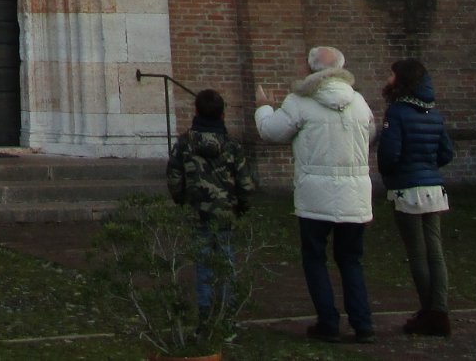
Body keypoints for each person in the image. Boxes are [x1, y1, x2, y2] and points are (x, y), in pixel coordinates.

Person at [255, 45, 376, 343]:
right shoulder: (359, 102)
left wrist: (263, 107)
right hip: (355, 194)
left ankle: (328, 322)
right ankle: (363, 324)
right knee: (351, 260)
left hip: (315, 196)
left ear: (311, 70)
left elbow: (271, 132)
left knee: (315, 258)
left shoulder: (300, 101)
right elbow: (370, 134)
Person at [379, 58, 455, 337]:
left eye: (391, 75)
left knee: (417, 252)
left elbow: (390, 153)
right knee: (435, 251)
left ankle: (429, 312)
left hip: (407, 188)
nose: (388, 80)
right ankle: (440, 308)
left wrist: (391, 172)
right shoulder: (432, 112)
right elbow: (445, 152)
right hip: (433, 186)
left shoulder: (397, 112)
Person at [165, 87, 255, 316]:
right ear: (223, 114)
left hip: (198, 212)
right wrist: (242, 207)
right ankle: (227, 311)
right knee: (226, 261)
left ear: (196, 110)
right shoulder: (232, 146)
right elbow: (245, 183)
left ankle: (206, 312)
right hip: (226, 212)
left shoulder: (184, 143)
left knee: (203, 264)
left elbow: (175, 178)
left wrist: (182, 201)